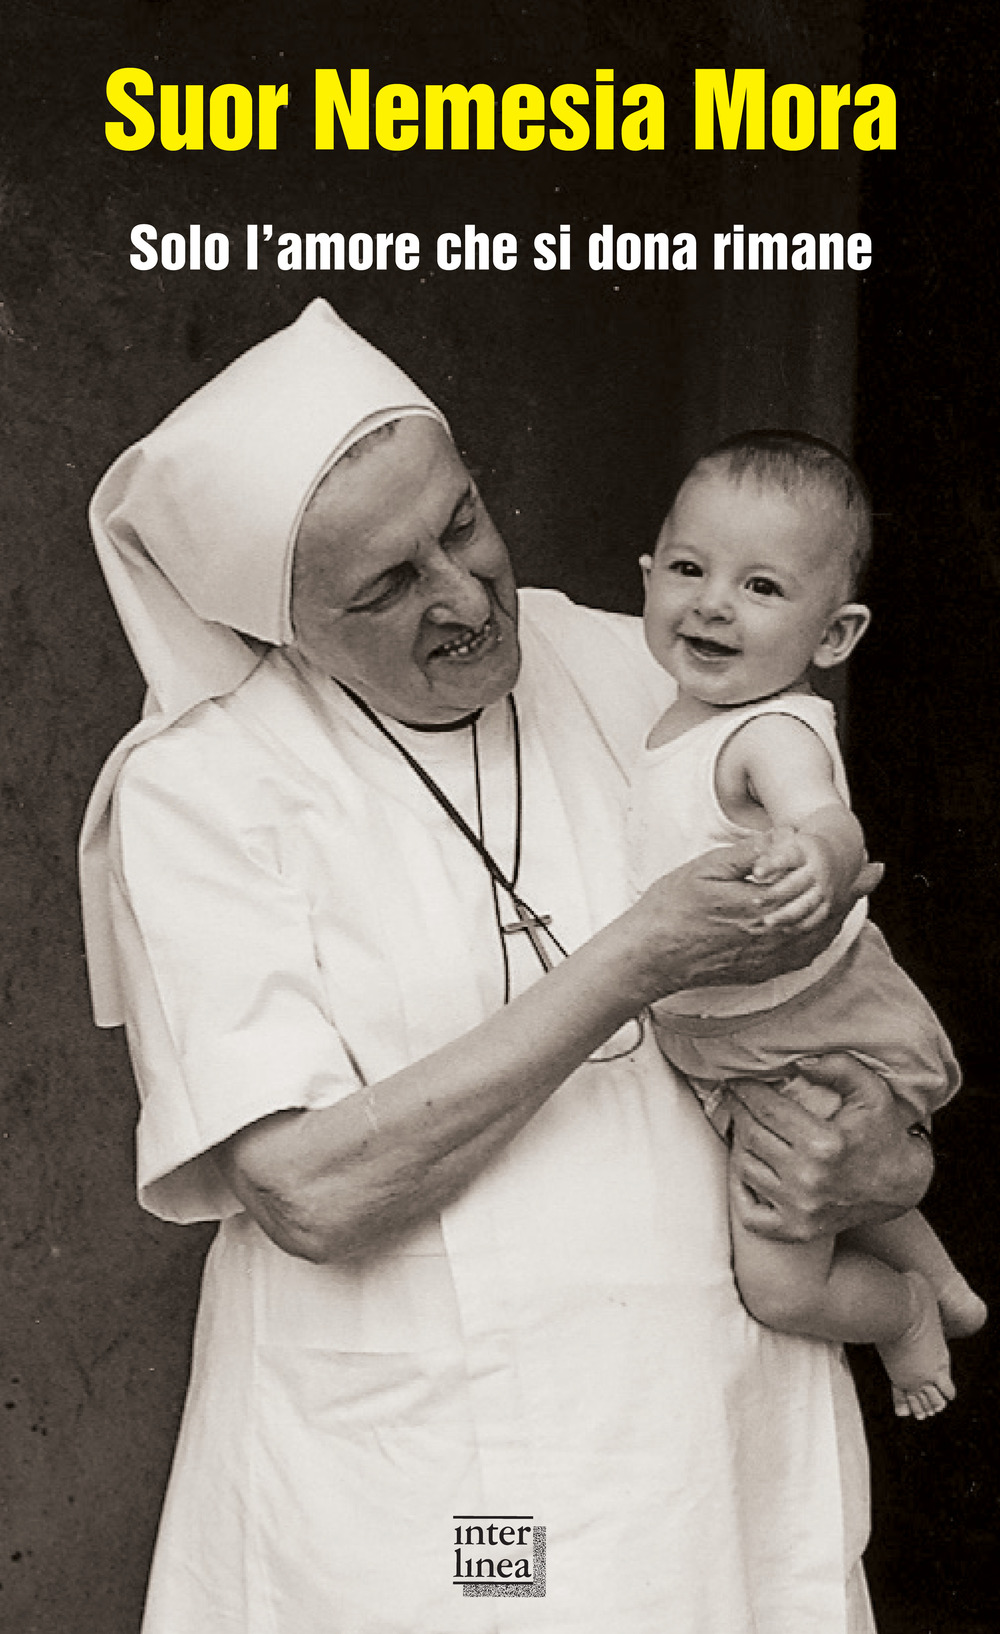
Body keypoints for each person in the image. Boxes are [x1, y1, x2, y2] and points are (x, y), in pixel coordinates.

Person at [79, 300, 931, 1634]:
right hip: (439, 1484)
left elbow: (826, 999)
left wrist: (887, 1154)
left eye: (461, 521)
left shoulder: (637, 665)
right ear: (284, 617)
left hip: (705, 1449)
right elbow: (304, 1185)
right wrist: (631, 959)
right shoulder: (202, 788)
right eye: (387, 586)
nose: (469, 596)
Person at [628, 431, 986, 1422]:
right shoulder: (683, 712)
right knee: (841, 1167)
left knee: (782, 1279)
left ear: (832, 638)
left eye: (761, 587)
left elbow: (825, 813)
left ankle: (902, 1309)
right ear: (648, 577)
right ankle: (950, 1280)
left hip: (804, 1026)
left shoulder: (766, 731)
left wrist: (818, 858)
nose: (710, 602)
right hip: (752, 1028)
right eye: (691, 570)